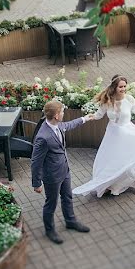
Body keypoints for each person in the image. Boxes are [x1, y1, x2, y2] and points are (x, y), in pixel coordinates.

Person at [31, 100, 94, 244]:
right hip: (52, 176)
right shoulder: (43, 137)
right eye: (62, 112)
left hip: (64, 170)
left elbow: (68, 125)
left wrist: (85, 118)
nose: (64, 114)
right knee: (51, 203)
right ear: (56, 116)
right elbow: (36, 161)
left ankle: (70, 221)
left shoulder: (57, 124)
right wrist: (36, 183)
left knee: (67, 197)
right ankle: (49, 230)